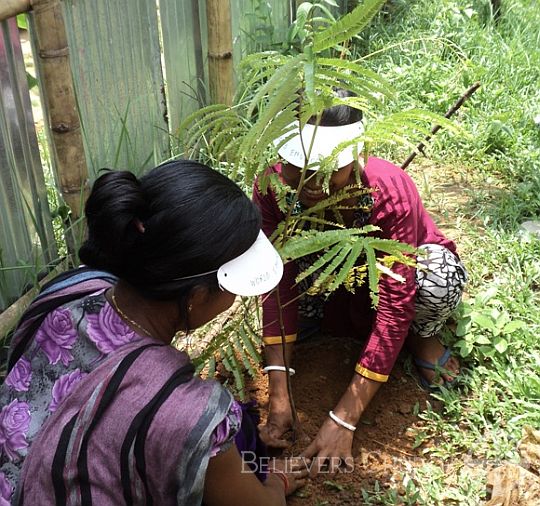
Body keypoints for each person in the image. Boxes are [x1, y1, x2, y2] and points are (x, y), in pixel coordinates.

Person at [0, 160, 309, 505]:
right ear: (195, 297)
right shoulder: (183, 411)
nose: (236, 298)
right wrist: (277, 484)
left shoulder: (70, 290)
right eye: (232, 288)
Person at [253, 91, 468, 474]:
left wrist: (344, 418)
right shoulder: (273, 189)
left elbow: (397, 298)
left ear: (355, 156)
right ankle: (334, 322)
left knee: (437, 280)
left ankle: (422, 334)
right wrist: (279, 394)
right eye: (297, 166)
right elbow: (276, 281)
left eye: (326, 168)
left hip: (394, 278)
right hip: (329, 278)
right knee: (284, 284)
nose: (310, 183)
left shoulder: (388, 189)